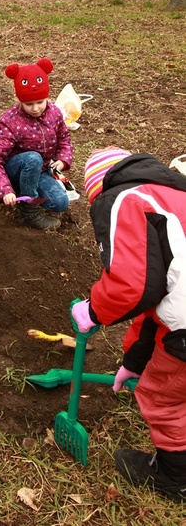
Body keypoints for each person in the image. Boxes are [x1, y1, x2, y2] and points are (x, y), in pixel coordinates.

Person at [71, 146, 186, 502]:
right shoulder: (171, 197)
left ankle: (175, 477)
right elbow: (156, 300)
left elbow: (132, 287)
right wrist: (134, 361)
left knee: (163, 395)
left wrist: (93, 311)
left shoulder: (121, 199)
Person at [0, 58, 73, 231]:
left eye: (40, 102)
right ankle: (29, 210)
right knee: (33, 158)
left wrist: (63, 160)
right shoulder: (10, 121)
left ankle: (27, 191)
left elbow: (64, 138)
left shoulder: (54, 113)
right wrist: (5, 189)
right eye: (29, 104)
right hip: (16, 170)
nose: (36, 108)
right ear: (19, 100)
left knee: (60, 203)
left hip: (41, 170)